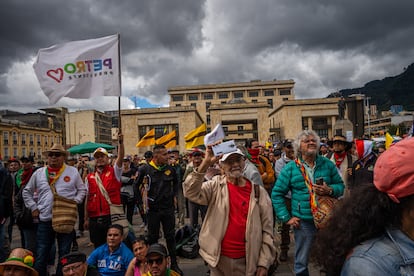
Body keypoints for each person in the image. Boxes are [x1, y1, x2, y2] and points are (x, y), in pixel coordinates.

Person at [312, 137, 414, 275]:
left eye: (340, 143)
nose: (337, 146)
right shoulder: (369, 266)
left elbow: (340, 185)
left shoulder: (352, 160)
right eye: (334, 143)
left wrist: (331, 190)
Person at [184, 147, 276, 276]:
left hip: (248, 262)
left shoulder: (258, 192)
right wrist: (205, 163)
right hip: (218, 262)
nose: (235, 165)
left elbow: (267, 230)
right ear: (221, 166)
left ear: (244, 162)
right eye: (230, 162)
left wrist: (264, 262)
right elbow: (190, 192)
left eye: (238, 160)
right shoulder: (215, 186)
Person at [271, 130, 344, 275]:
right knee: (302, 260)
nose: (311, 142)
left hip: (327, 220)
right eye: (307, 141)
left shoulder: (327, 164)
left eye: (313, 140)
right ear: (299, 146)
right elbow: (276, 194)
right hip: (304, 222)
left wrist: (330, 190)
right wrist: (287, 218)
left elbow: (340, 186)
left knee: (330, 255)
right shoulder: (291, 168)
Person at [22, 144, 87, 276]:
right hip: (45, 219)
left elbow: (82, 190)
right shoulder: (39, 173)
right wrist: (33, 207)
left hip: (66, 220)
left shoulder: (72, 171)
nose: (53, 157)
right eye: (51, 155)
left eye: (57, 155)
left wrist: (75, 202)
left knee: (64, 254)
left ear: (63, 157)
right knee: (41, 253)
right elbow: (26, 192)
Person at [135, 145, 183, 275]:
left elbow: (177, 184)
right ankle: (152, 265)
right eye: (164, 154)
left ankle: (173, 264)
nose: (168, 157)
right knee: (153, 238)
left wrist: (173, 196)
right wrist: (141, 205)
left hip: (168, 209)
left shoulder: (170, 169)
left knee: (170, 237)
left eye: (167, 154)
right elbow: (136, 186)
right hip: (153, 210)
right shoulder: (145, 169)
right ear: (156, 156)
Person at [84, 133, 125, 248]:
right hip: (94, 218)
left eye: (102, 156)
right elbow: (88, 198)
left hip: (110, 216)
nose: (100, 159)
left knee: (114, 245)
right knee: (98, 246)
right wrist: (85, 219)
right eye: (97, 157)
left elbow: (121, 158)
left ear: (108, 158)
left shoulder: (114, 172)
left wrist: (120, 144)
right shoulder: (89, 177)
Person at [273, 138, 295, 262]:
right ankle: (284, 249)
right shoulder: (280, 163)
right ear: (284, 148)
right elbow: (282, 179)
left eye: (292, 146)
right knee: (286, 225)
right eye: (288, 147)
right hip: (287, 197)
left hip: (300, 198)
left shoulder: (300, 160)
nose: (291, 149)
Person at [182, 149, 207, 229]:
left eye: (198, 156)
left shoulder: (206, 166)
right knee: (193, 220)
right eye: (195, 156)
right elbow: (185, 181)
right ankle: (194, 236)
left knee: (205, 218)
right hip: (192, 197)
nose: (197, 158)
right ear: (192, 158)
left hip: (203, 195)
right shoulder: (189, 168)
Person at [0, 166, 13, 262]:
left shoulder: (4, 173)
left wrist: (4, 214)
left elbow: (6, 196)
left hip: (1, 213)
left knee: (2, 241)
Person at [121, 157, 138, 224]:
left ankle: (129, 224)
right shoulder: (119, 172)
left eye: (126, 161)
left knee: (130, 212)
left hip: (131, 193)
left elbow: (135, 181)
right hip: (122, 193)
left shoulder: (133, 170)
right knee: (122, 210)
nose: (124, 163)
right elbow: (119, 181)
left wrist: (124, 180)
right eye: (123, 161)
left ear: (129, 162)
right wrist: (129, 179)